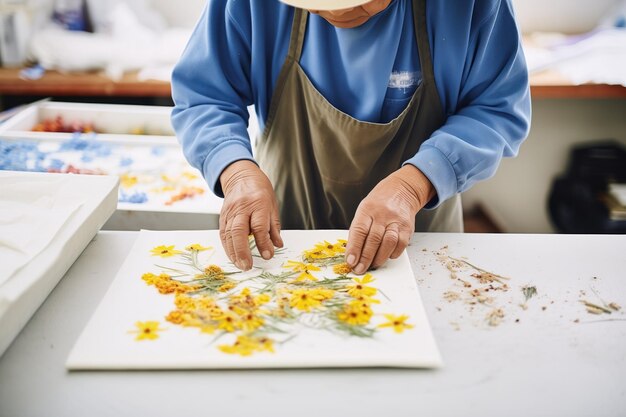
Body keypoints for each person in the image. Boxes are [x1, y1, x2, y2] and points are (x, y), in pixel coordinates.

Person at [171, 0, 531, 274]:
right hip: (284, 247)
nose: (336, 13)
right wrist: (236, 172)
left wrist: (414, 186)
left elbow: (495, 110)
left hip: (419, 248)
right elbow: (205, 95)